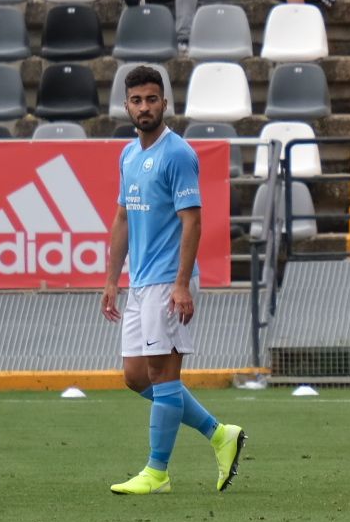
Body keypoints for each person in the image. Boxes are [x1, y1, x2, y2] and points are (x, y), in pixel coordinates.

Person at [100, 66, 246, 496]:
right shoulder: (128, 155)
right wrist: (112, 280)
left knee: (164, 376)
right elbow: (123, 217)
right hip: (140, 282)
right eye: (136, 100)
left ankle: (157, 472)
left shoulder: (178, 154)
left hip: (168, 281)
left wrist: (182, 283)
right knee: (135, 376)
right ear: (127, 106)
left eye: (151, 99)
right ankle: (221, 435)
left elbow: (193, 222)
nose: (144, 107)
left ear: (165, 103)